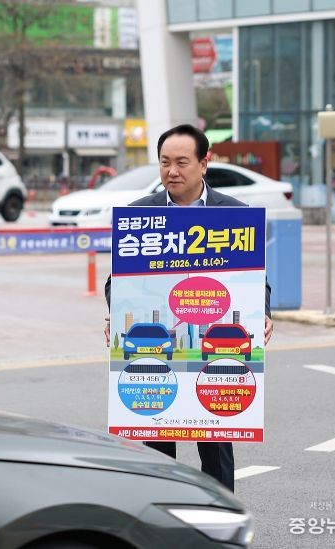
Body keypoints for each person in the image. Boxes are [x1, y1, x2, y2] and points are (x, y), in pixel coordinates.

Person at [104, 124, 273, 492]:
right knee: (157, 442)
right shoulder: (139, 216)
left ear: (203, 164)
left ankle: (220, 515)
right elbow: (116, 281)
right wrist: (116, 314)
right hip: (157, 355)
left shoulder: (234, 214)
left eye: (182, 162)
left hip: (215, 352)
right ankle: (162, 515)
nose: (172, 171)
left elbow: (255, 279)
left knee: (215, 441)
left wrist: (264, 312)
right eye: (165, 162)